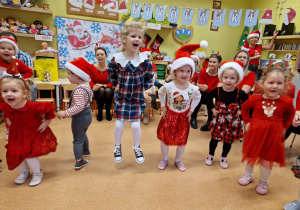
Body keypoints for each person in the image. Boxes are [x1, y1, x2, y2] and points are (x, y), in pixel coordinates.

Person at [239, 68, 295, 195]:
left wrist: (285, 127)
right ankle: (248, 174)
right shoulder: (254, 99)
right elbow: (244, 108)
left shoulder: (286, 102)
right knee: (250, 155)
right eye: (271, 82)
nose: (275, 86)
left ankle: (264, 181)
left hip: (273, 134)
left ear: (285, 85)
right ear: (262, 83)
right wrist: (247, 122)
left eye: (279, 83)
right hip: (255, 132)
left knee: (266, 159)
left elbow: (291, 114)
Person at [0, 66, 57, 187]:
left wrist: (46, 121)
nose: (9, 94)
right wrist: (8, 123)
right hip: (17, 134)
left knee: (30, 156)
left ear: (24, 94)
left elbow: (48, 107)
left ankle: (37, 173)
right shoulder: (5, 106)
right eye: (5, 91)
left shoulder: (32, 106)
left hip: (33, 133)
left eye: (14, 91)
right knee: (16, 155)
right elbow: (6, 115)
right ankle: (24, 172)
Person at [107, 21, 155, 164]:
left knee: (135, 125)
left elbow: (150, 75)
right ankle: (117, 146)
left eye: (139, 37)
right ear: (124, 39)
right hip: (122, 97)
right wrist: (116, 85)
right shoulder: (117, 58)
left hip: (136, 98)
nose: (137, 39)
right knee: (119, 124)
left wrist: (145, 89)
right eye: (133, 36)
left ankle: (137, 147)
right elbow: (111, 73)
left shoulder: (143, 60)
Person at [157, 44, 201, 172]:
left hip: (183, 118)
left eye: (188, 71)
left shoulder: (193, 89)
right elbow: (160, 92)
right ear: (175, 71)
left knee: (182, 141)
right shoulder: (169, 86)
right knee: (165, 139)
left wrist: (191, 110)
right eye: (181, 70)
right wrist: (164, 106)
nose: (185, 74)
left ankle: (177, 160)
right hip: (170, 116)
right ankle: (165, 158)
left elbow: (197, 97)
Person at [205, 61, 248, 169]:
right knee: (214, 139)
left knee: (228, 141)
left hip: (232, 121)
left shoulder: (240, 93)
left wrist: (241, 111)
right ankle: (210, 155)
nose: (228, 80)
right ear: (221, 78)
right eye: (226, 77)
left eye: (232, 78)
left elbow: (248, 103)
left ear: (237, 79)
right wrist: (213, 110)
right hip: (219, 120)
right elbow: (208, 98)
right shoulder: (217, 90)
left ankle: (224, 156)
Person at [57, 57, 94, 170]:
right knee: (83, 134)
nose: (67, 76)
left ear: (77, 75)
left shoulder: (79, 90)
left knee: (77, 139)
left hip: (80, 117)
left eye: (69, 73)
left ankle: (79, 161)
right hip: (87, 115)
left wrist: (65, 113)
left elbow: (78, 106)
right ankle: (85, 150)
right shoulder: (87, 86)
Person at [0, 37, 33, 140]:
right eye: (2, 48)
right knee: (7, 113)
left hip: (17, 94)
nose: (6, 50)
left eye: (9, 49)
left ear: (15, 51)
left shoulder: (18, 63)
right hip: (3, 95)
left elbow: (29, 72)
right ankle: (10, 130)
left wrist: (23, 79)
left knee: (20, 112)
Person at [0, 31, 37, 101]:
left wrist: (21, 79)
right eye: (3, 47)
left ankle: (28, 106)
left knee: (32, 87)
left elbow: (30, 75)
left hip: (17, 85)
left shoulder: (20, 60)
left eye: (9, 48)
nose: (6, 50)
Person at [190, 53, 221, 130]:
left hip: (214, 95)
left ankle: (210, 121)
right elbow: (201, 84)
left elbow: (218, 89)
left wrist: (207, 88)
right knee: (199, 94)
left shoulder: (221, 74)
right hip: (203, 93)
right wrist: (202, 86)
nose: (211, 64)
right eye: (210, 62)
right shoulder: (203, 71)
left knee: (210, 97)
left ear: (219, 64)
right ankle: (193, 117)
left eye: (214, 62)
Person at [90, 47, 114, 122]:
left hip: (109, 89)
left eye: (102, 54)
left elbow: (113, 83)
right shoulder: (92, 67)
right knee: (101, 90)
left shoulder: (110, 68)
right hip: (97, 90)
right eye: (98, 55)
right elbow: (90, 81)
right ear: (96, 57)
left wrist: (103, 85)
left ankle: (108, 111)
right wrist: (93, 86)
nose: (100, 56)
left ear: (106, 56)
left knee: (107, 90)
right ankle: (100, 111)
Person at [140, 48, 157, 125]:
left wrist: (147, 92)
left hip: (149, 92)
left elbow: (152, 85)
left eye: (148, 56)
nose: (147, 58)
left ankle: (146, 115)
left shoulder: (151, 69)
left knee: (147, 99)